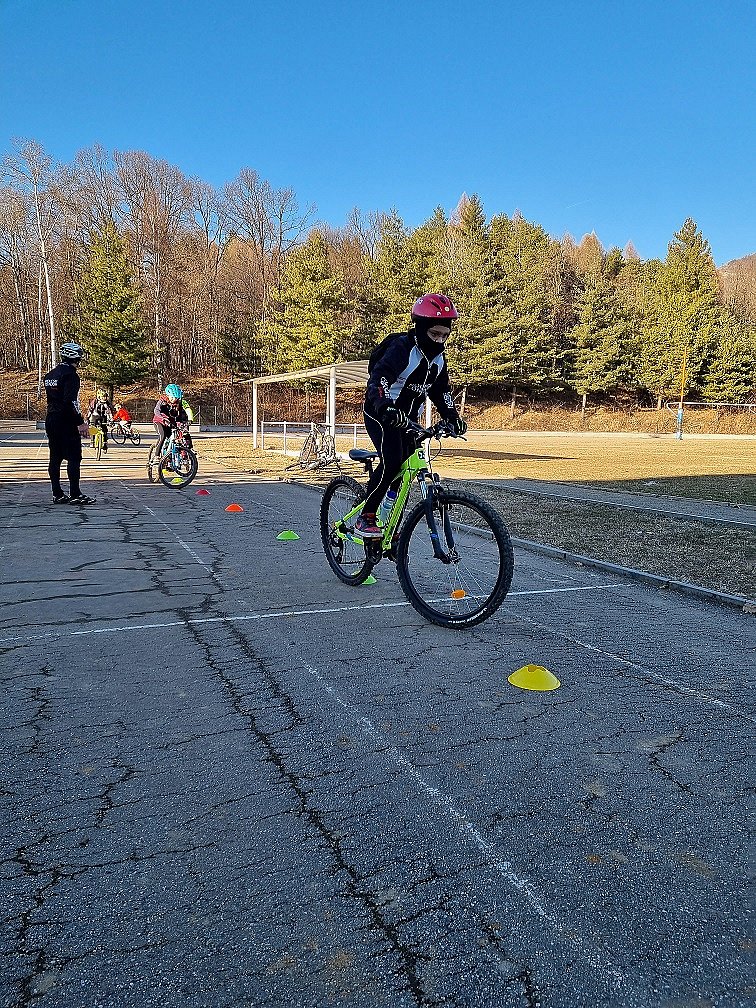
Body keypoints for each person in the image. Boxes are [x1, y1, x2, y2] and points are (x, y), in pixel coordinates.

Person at [355, 293, 468, 538]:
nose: (439, 341)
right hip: (381, 413)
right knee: (392, 461)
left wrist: (452, 416)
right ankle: (366, 515)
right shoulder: (402, 349)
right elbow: (379, 379)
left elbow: (441, 391)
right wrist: (385, 406)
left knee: (406, 470)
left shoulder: (438, 359)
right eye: (434, 334)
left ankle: (390, 525)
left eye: (445, 336)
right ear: (420, 327)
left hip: (408, 419)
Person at [42, 341, 96, 505]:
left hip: (51, 418)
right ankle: (75, 493)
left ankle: (57, 493)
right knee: (74, 456)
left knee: (55, 456)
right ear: (76, 358)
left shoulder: (50, 375)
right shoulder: (71, 375)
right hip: (66, 420)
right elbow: (71, 401)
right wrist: (80, 423)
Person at [153, 384, 191, 456]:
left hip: (170, 423)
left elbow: (181, 415)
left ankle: (171, 455)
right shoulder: (162, 401)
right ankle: (156, 456)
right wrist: (163, 419)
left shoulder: (178, 404)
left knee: (175, 438)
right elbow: (156, 410)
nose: (174, 399)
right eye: (172, 397)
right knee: (162, 436)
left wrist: (185, 423)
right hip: (159, 421)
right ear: (168, 395)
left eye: (176, 398)